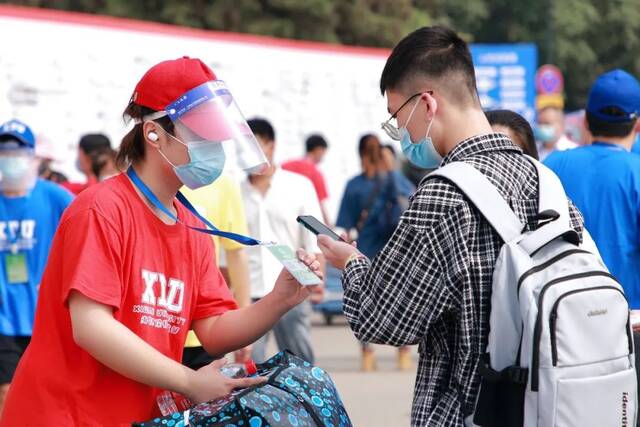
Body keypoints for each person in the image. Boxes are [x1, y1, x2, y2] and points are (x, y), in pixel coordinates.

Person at [0, 57, 321, 426]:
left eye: (216, 136)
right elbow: (91, 327)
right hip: (65, 415)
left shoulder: (191, 226)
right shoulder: (102, 209)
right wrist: (189, 381)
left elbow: (213, 330)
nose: (214, 147)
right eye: (201, 134)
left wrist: (279, 300)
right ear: (153, 134)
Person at [317, 26, 584, 426]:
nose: (401, 133)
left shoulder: (442, 194)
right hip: (548, 408)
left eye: (397, 117)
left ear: (426, 103)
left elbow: (382, 318)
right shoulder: (545, 180)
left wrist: (352, 262)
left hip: (469, 411)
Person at [544, 69, 640, 308]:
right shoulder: (636, 172)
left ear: (586, 120)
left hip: (561, 320)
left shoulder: (552, 165)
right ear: (637, 125)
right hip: (628, 322)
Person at [0, 119, 73, 413]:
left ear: (32, 158)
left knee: (45, 392)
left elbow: (89, 228)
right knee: (7, 391)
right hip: (3, 316)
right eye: (4, 154)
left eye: (17, 154)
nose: (10, 161)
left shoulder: (53, 197)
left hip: (45, 315)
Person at [242, 118, 325, 364]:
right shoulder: (235, 191)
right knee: (249, 366)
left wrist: (317, 280)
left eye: (255, 147)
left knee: (299, 364)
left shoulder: (298, 186)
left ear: (271, 146)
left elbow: (313, 237)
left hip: (292, 288)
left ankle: (306, 403)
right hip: (250, 292)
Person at [337, 134, 415, 372]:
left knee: (364, 299)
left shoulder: (355, 185)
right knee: (400, 299)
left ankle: (367, 353)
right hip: (395, 250)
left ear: (360, 154)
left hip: (366, 250)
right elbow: (410, 201)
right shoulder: (395, 180)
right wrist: (391, 169)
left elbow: (345, 223)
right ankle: (403, 352)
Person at [181, 174, 253, 367]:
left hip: (203, 330)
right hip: (150, 328)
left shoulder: (222, 184)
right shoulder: (139, 180)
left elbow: (236, 253)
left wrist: (243, 324)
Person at [282, 134, 331, 224]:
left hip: (283, 214)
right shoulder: (315, 173)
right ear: (318, 150)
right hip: (305, 220)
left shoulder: (286, 165)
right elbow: (321, 204)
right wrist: (328, 226)